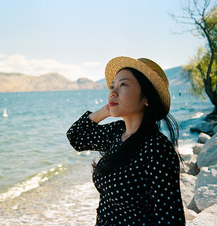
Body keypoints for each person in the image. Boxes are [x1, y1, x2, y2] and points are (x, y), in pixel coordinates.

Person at [67, 56, 185, 225]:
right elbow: (76, 137)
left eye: (123, 85)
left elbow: (170, 219)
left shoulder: (157, 148)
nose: (113, 92)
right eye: (112, 86)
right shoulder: (116, 132)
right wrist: (108, 109)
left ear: (147, 98)